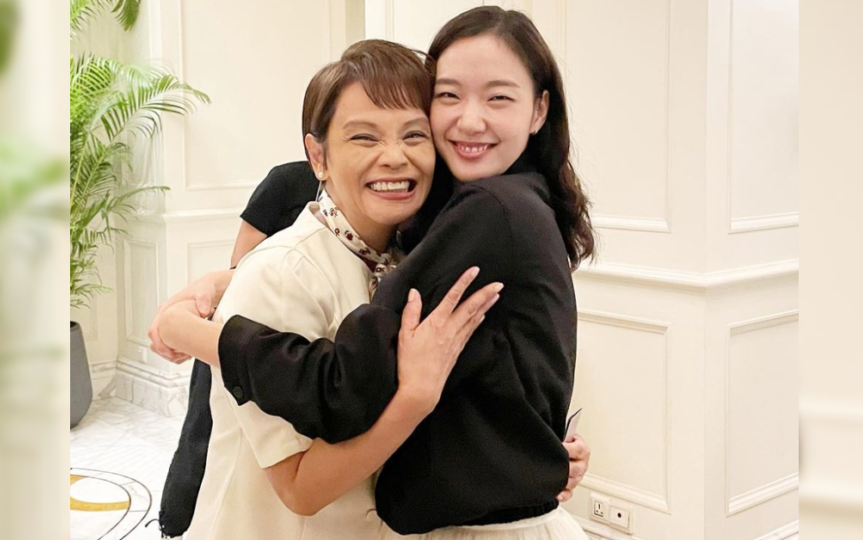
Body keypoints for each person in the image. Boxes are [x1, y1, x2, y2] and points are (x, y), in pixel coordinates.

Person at [157, 7, 595, 539]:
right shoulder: (285, 273)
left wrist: (532, 454)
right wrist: (220, 298)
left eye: (413, 135)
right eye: (364, 138)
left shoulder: (475, 219)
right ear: (317, 155)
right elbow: (302, 490)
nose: (395, 156)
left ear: (538, 109)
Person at [155, 162, 317, 539]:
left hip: (288, 359)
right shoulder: (286, 181)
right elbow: (243, 268)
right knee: (206, 442)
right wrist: (208, 291)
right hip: (246, 336)